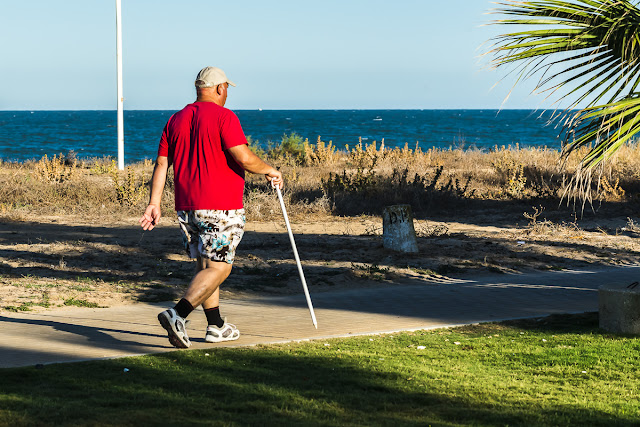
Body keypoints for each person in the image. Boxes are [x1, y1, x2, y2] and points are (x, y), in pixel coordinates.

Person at [139, 66, 283, 348]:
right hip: (220, 205)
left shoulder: (176, 120)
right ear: (220, 89)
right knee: (220, 267)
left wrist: (153, 203)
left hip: (187, 207)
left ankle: (216, 326)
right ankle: (177, 314)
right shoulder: (224, 117)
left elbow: (161, 164)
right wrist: (270, 170)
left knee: (206, 265)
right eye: (227, 88)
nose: (227, 93)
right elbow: (243, 157)